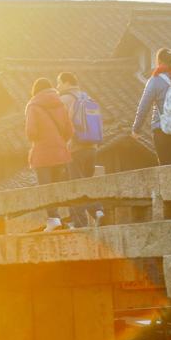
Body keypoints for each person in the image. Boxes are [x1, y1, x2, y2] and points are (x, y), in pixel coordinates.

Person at [25, 77, 74, 232]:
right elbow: (69, 131)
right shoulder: (60, 103)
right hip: (60, 153)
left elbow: (31, 132)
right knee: (57, 187)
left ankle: (53, 219)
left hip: (42, 154)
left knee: (45, 188)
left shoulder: (33, 105)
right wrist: (59, 141)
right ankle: (61, 219)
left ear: (35, 91)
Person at [57, 72, 105, 228]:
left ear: (66, 82)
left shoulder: (65, 99)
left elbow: (60, 125)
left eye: (59, 83)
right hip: (92, 147)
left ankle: (80, 222)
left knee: (75, 186)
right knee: (86, 183)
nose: (57, 86)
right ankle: (98, 211)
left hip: (75, 148)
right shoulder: (86, 97)